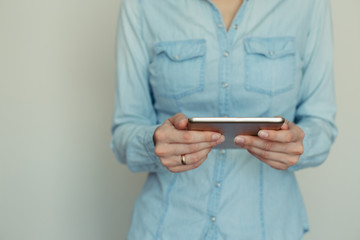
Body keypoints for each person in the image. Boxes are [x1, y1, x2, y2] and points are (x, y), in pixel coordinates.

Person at [111, 0, 337, 239]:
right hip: (168, 227)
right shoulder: (141, 5)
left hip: (269, 228)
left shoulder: (309, 5)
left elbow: (321, 122)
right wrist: (154, 143)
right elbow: (124, 131)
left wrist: (299, 144)